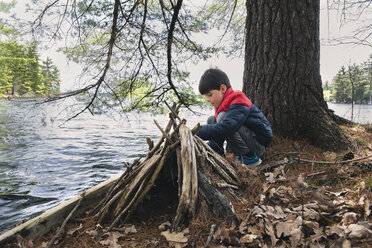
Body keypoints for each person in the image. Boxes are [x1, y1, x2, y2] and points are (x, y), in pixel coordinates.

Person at [196, 68, 272, 166]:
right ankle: (216, 149)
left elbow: (227, 128)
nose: (207, 99)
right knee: (212, 119)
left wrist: (197, 131)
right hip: (250, 139)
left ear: (222, 89)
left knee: (223, 119)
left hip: (258, 144)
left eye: (210, 95)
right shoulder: (224, 104)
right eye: (206, 96)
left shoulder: (239, 101)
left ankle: (249, 157)